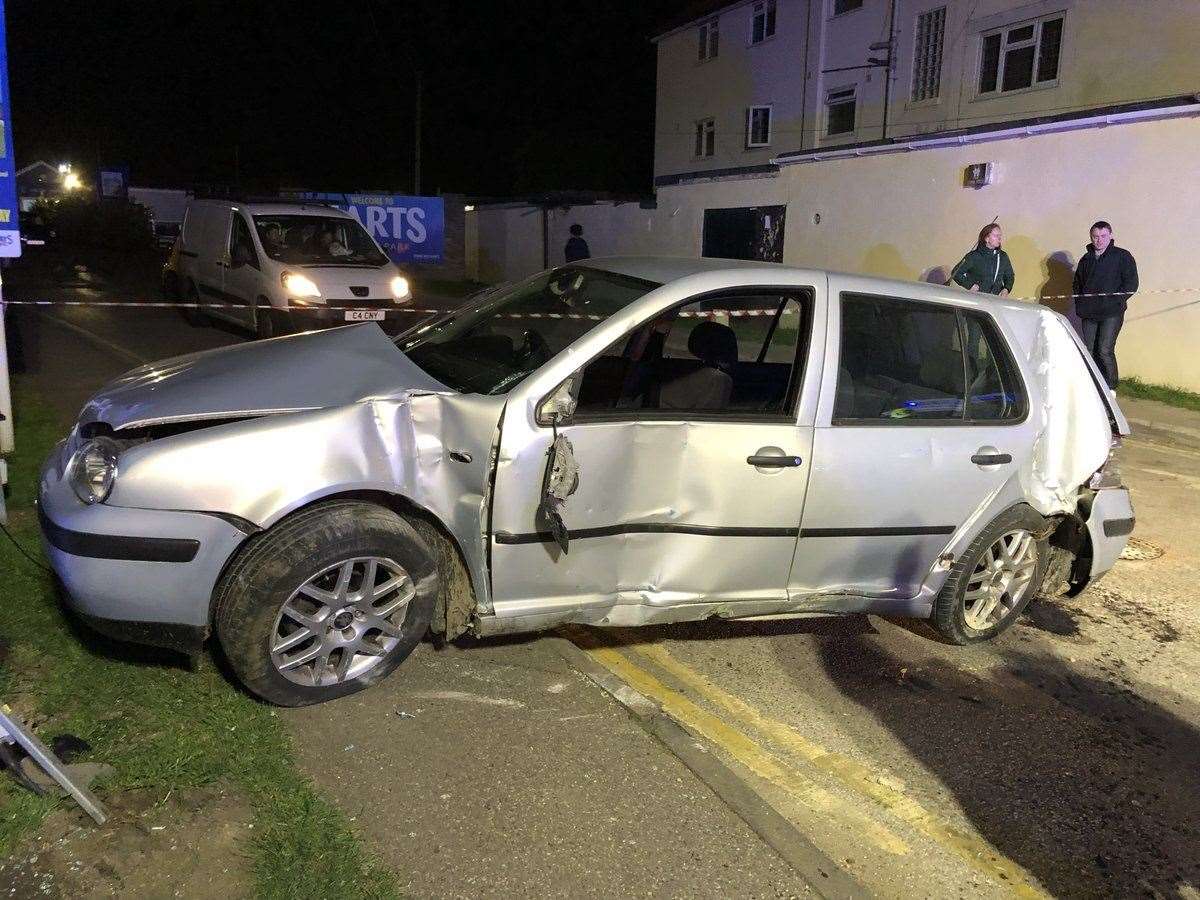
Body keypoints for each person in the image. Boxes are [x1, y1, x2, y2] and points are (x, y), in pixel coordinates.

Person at [1072, 221, 1138, 390]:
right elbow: (1077, 284)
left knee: (1104, 349)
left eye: (1103, 236)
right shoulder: (1086, 259)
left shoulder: (1122, 256)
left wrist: (1116, 301)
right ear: (1091, 237)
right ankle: (1095, 384)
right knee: (1090, 349)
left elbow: (1131, 284)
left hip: (1112, 313)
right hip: (1089, 313)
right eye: (1095, 236)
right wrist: (1081, 303)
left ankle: (1110, 386)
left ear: (1110, 236)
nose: (1099, 240)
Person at [950, 223, 1015, 296]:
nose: (999, 238)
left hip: (995, 300)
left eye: (1000, 236)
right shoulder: (974, 256)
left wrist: (1006, 289)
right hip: (977, 300)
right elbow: (956, 273)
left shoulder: (1003, 257)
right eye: (996, 235)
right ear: (986, 238)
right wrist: (970, 285)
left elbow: (1010, 276)